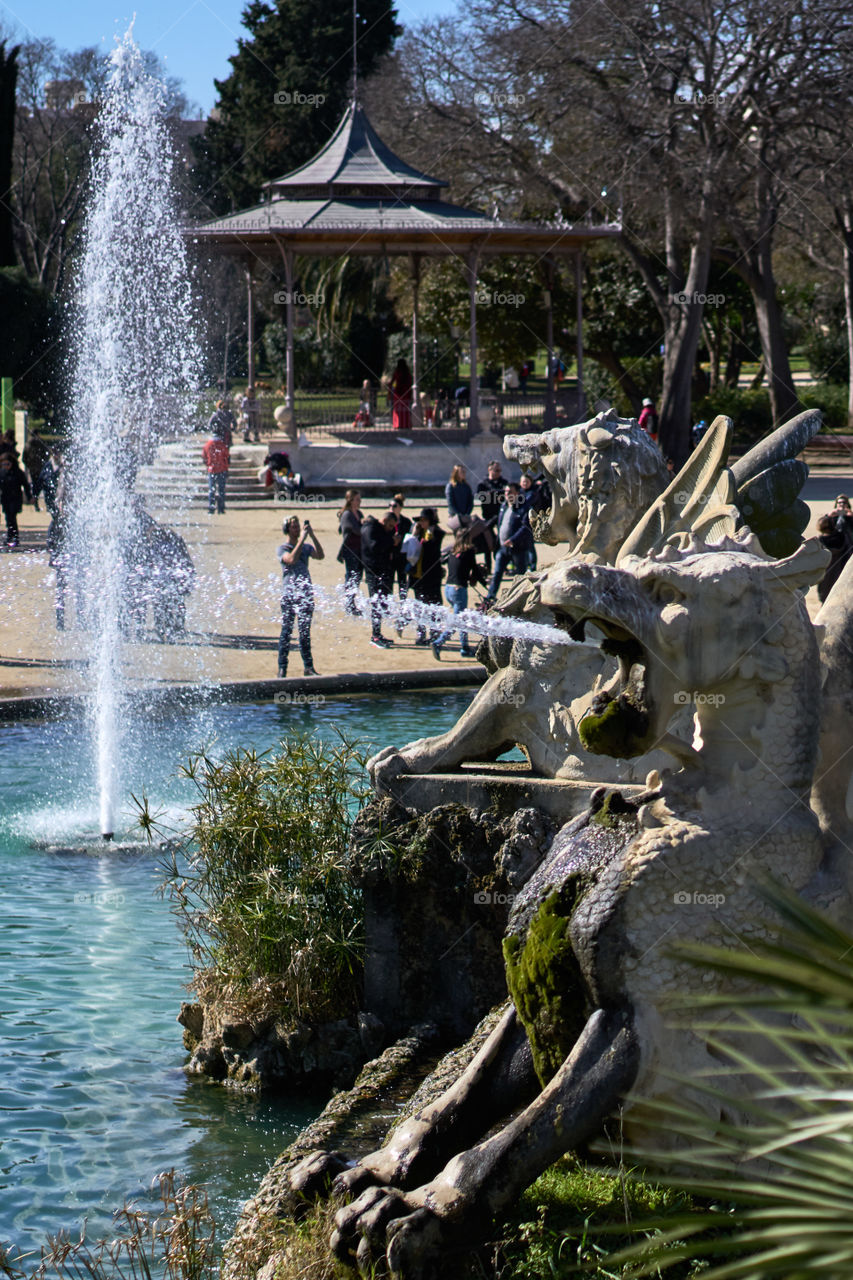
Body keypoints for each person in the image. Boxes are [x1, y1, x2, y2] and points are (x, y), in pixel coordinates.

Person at [277, 514, 323, 677]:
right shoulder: (283, 549)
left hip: (305, 594)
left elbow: (320, 555)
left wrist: (311, 535)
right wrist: (302, 540)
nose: (296, 528)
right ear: (287, 529)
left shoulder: (306, 546)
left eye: (298, 526)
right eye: (293, 526)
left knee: (304, 632)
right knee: (286, 632)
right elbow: (291, 559)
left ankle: (308, 667)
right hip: (289, 594)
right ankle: (282, 668)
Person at [432, 528, 487, 660]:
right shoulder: (468, 551)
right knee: (457, 622)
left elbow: (458, 569)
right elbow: (475, 569)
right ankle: (438, 643)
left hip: (448, 589)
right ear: (468, 539)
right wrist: (485, 585)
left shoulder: (452, 552)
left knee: (462, 620)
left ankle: (465, 648)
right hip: (459, 591)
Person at [484, 482, 534, 601]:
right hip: (503, 547)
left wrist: (512, 539)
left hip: (518, 548)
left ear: (517, 493)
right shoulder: (504, 506)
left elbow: (526, 527)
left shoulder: (524, 508)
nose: (507, 494)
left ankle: (522, 597)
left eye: (510, 492)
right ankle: (490, 596)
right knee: (497, 573)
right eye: (506, 492)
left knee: (520, 575)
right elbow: (500, 523)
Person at [361, 508, 398, 648]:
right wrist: (391, 541)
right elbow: (374, 546)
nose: (390, 529)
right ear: (385, 520)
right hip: (372, 571)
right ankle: (375, 636)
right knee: (376, 604)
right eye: (390, 526)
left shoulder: (379, 529)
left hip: (380, 570)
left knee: (380, 603)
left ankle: (377, 633)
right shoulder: (370, 528)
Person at [410, 507, 445, 644]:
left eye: (424, 520)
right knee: (419, 607)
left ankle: (435, 633)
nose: (422, 523)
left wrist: (428, 536)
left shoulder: (437, 533)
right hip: (418, 576)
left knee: (434, 605)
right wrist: (415, 535)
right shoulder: (418, 533)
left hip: (431, 576)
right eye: (420, 520)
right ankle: (421, 633)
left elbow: (432, 549)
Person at [337, 489, 364, 614]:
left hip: (359, 549)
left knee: (357, 576)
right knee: (351, 575)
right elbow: (356, 530)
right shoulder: (347, 514)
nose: (360, 501)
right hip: (350, 549)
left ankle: (351, 602)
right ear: (351, 500)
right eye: (357, 499)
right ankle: (349, 603)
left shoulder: (358, 512)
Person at [476, 459, 505, 572]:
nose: (498, 473)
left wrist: (493, 494)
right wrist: (494, 494)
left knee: (500, 540)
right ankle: (488, 566)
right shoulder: (483, 483)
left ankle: (501, 565)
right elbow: (481, 497)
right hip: (487, 516)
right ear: (490, 469)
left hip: (500, 515)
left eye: (500, 470)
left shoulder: (503, 482)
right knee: (487, 542)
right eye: (496, 470)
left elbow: (505, 495)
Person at [0, 450, 31, 548]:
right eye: (3, 464)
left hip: (15, 498)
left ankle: (14, 538)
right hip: (5, 499)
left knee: (12, 518)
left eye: (7, 464)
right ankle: (10, 538)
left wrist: (29, 497)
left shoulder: (18, 472)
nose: (5, 466)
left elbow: (26, 485)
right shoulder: (2, 473)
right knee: (8, 518)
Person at [817, 515, 851, 603]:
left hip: (825, 574)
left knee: (825, 598)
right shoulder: (843, 537)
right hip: (840, 571)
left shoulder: (820, 541)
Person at [202, 430, 230, 514]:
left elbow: (204, 457)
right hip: (222, 469)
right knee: (221, 490)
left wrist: (208, 465)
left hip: (212, 469)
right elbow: (227, 457)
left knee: (211, 490)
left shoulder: (207, 445)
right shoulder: (222, 445)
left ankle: (211, 508)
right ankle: (221, 508)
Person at [22, 431, 49, 513]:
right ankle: (46, 504)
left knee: (35, 486)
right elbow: (46, 455)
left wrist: (29, 466)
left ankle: (35, 502)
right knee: (43, 486)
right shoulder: (41, 443)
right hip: (41, 469)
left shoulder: (27, 445)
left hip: (32, 469)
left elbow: (24, 458)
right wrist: (44, 464)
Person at [445, 464, 474, 531]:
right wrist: (458, 515)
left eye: (464, 472)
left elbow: (470, 502)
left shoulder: (467, 486)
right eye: (462, 472)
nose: (464, 474)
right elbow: (450, 503)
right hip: (455, 516)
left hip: (466, 516)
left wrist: (467, 513)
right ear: (456, 473)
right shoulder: (451, 486)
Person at [389, 358, 413, 431]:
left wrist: (391, 389)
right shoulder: (407, 373)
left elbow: (392, 382)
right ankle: (405, 424)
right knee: (405, 409)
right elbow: (410, 382)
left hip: (398, 393)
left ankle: (398, 424)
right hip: (406, 393)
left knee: (398, 410)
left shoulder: (397, 372)